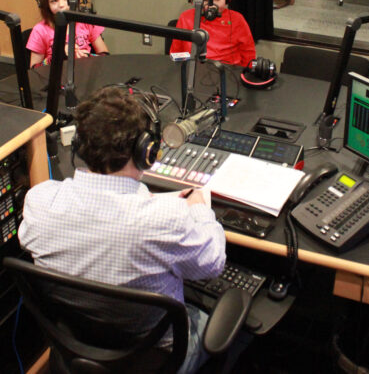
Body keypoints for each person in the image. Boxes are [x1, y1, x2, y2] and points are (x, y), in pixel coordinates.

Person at [18, 86, 227, 373]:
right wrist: (200, 208)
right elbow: (213, 264)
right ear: (147, 152)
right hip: (155, 358)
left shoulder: (39, 202)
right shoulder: (168, 219)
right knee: (227, 324)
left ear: (80, 145)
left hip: (78, 344)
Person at [169, 0, 256, 67]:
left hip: (228, 74)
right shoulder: (186, 18)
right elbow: (175, 54)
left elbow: (249, 57)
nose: (212, 5)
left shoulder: (237, 20)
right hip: (193, 72)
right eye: (206, 0)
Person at [26, 0, 109, 68]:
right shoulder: (40, 31)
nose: (61, 4)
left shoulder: (86, 22)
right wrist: (59, 55)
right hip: (56, 80)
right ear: (46, 5)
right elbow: (34, 69)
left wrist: (87, 56)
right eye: (54, 1)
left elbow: (104, 56)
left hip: (85, 75)